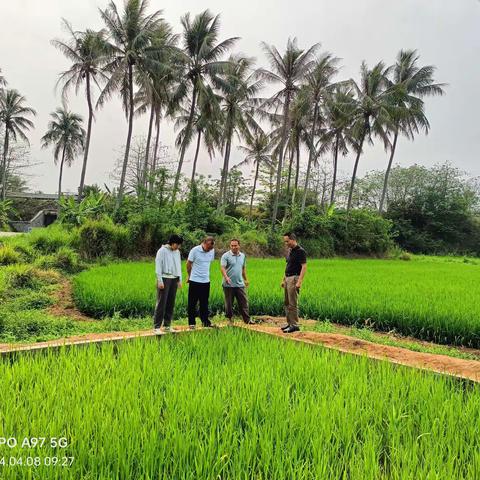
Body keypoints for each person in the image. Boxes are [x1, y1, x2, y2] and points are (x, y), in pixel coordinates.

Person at [154, 234, 183, 333]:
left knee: (171, 303)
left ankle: (167, 325)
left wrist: (179, 280)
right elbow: (158, 266)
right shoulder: (162, 251)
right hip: (164, 278)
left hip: (174, 279)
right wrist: (159, 280)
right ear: (173, 243)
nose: (178, 247)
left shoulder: (177, 252)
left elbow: (178, 265)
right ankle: (157, 327)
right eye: (177, 245)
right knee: (162, 302)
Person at [220, 239, 254, 325]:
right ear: (230, 246)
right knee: (229, 304)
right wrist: (226, 277)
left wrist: (245, 279)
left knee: (244, 302)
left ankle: (247, 320)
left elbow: (243, 269)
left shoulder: (242, 256)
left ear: (239, 246)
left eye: (235, 245)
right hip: (228, 284)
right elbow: (222, 268)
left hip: (240, 284)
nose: (234, 247)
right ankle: (230, 321)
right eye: (232, 246)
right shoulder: (225, 256)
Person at [186, 236, 216, 329]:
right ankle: (192, 323)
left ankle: (205, 322)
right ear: (204, 243)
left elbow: (207, 263)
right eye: (208, 247)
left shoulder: (212, 250)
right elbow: (188, 263)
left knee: (204, 303)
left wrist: (210, 250)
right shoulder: (195, 250)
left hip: (206, 281)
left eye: (211, 248)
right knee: (192, 302)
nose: (209, 250)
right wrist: (189, 275)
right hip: (195, 280)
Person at [281, 232, 307, 333]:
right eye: (285, 242)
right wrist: (283, 279)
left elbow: (304, 267)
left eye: (287, 241)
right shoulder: (290, 251)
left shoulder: (300, 251)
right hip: (288, 278)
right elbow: (288, 266)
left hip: (294, 278)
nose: (286, 243)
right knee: (287, 303)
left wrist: (299, 281)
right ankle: (289, 323)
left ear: (292, 239)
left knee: (293, 303)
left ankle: (295, 325)